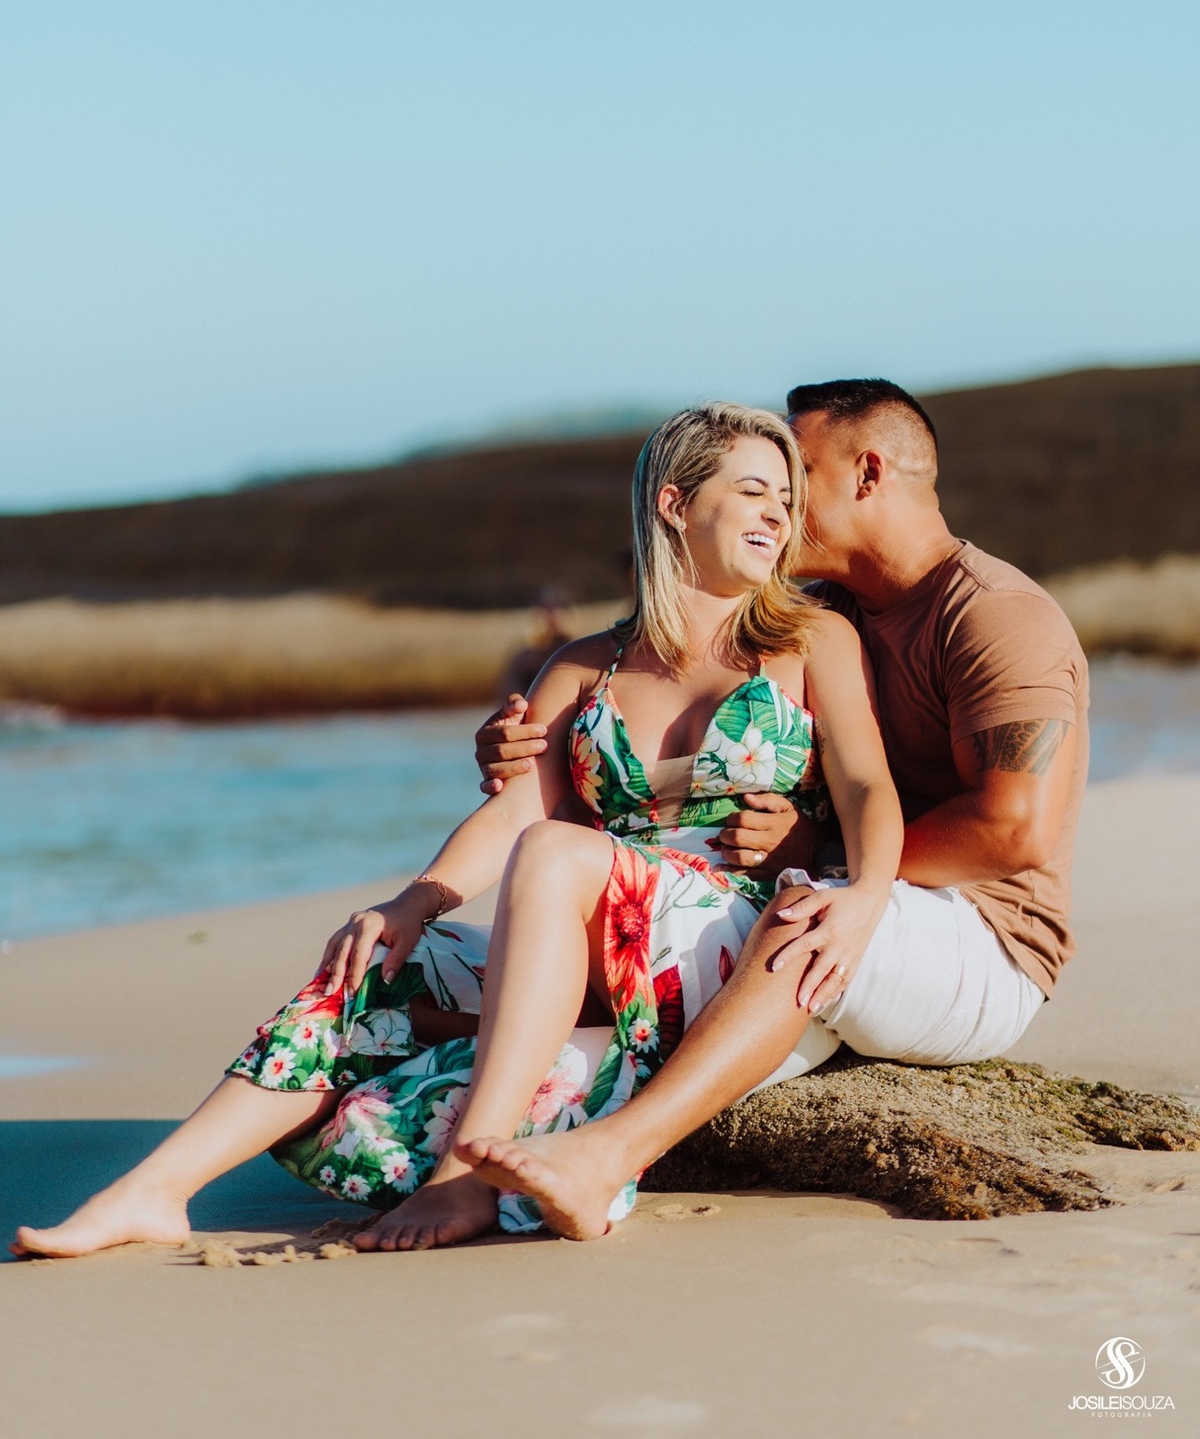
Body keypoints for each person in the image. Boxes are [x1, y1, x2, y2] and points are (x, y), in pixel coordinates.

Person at [13, 402, 903, 1259]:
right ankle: (156, 1189)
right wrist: (411, 902)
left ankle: (464, 1168)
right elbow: (518, 805)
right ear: (674, 503)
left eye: (786, 500)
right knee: (370, 965)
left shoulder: (810, 640)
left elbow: (865, 785)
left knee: (557, 852)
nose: (778, 516)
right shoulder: (584, 666)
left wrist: (866, 893)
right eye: (754, 491)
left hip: (717, 939)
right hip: (588, 937)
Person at [461, 377, 1087, 1241]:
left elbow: (1014, 831)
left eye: (799, 475)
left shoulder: (994, 616)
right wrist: (525, 747)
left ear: (868, 473)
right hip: (824, 891)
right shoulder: (819, 615)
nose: (780, 506)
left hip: (980, 937)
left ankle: (610, 1157)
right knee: (527, 1022)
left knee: (799, 911)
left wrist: (827, 852)